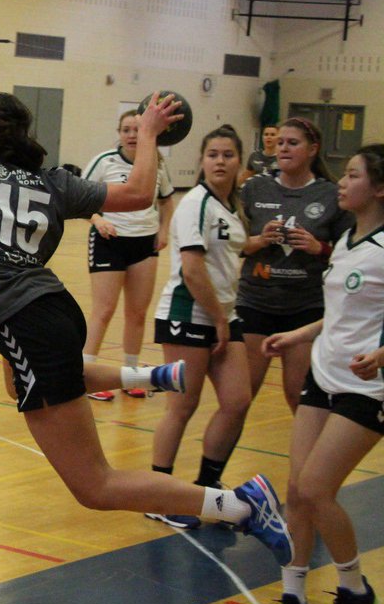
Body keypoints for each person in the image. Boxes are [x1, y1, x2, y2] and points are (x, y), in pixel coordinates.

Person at [0, 92, 292, 567]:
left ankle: (243, 505)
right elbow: (138, 195)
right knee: (15, 383)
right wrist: (149, 137)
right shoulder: (52, 181)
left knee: (95, 485)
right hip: (54, 310)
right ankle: (146, 377)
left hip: (26, 322)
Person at [261, 144, 384, 604]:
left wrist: (379, 355)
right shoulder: (349, 240)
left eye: (353, 175)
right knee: (296, 488)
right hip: (322, 373)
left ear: (378, 188)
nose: (342, 181)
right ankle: (294, 596)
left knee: (316, 488)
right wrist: (300, 333)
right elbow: (338, 315)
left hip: (366, 387)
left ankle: (354, 587)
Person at [145, 125, 252, 529]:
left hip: (224, 315)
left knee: (238, 400)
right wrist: (220, 319)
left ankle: (207, 488)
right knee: (182, 406)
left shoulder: (230, 206)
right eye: (213, 154)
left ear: (240, 162)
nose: (220, 161)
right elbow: (192, 269)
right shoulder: (196, 204)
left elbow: (230, 250)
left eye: (228, 154)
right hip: (188, 315)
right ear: (202, 161)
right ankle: (158, 494)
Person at [238, 118, 351, 414]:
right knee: (239, 397)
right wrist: (260, 240)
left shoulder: (330, 194)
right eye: (280, 143)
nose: (283, 148)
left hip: (305, 306)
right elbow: (234, 247)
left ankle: (308, 460)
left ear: (313, 149)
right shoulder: (255, 188)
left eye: (293, 143)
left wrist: (319, 248)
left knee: (297, 395)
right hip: (255, 301)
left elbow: (349, 254)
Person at [81, 110, 175, 401]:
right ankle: (84, 375)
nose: (132, 135)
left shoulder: (157, 163)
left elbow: (167, 200)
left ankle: (131, 375)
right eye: (126, 130)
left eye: (137, 129)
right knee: (104, 311)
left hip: (144, 244)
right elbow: (79, 199)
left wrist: (163, 230)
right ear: (119, 133)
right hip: (110, 240)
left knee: (136, 313)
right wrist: (98, 220)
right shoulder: (104, 161)